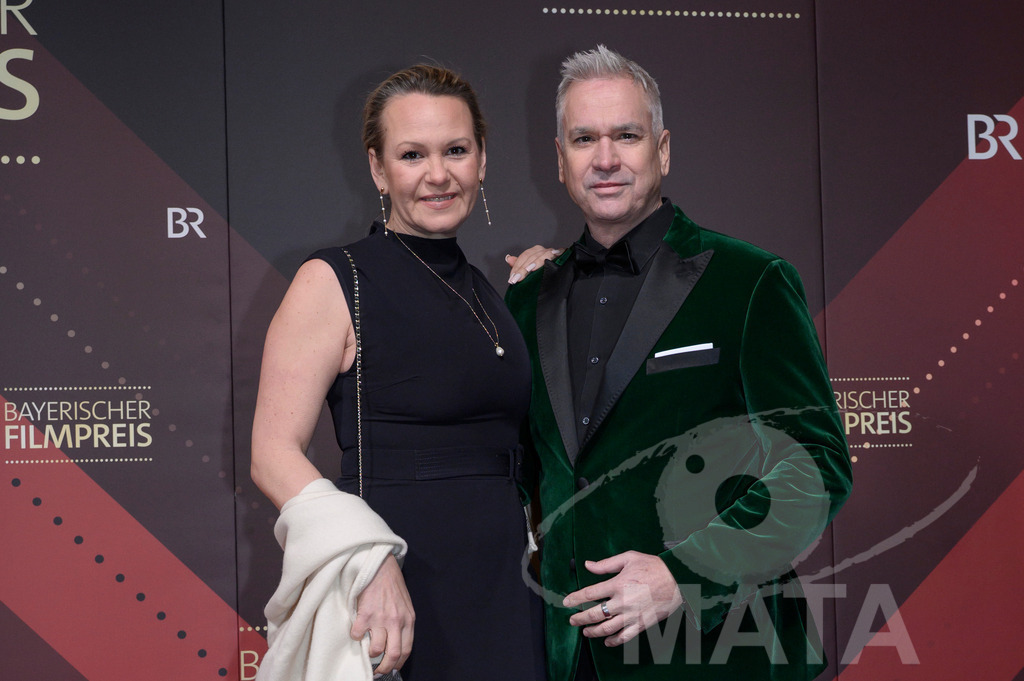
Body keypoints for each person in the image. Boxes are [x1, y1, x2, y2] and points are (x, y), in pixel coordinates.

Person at [504, 45, 853, 681]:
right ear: (559, 161)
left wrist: (680, 575)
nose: (605, 159)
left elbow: (817, 468)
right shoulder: (527, 299)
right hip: (573, 657)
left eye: (626, 136)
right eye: (584, 139)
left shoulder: (750, 282)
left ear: (661, 150)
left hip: (722, 651)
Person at [251, 64, 544, 680]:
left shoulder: (489, 292)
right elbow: (271, 455)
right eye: (412, 154)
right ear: (379, 169)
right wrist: (369, 560)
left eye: (456, 151)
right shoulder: (335, 280)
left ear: (482, 160)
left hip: (505, 586)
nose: (438, 174)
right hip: (395, 590)